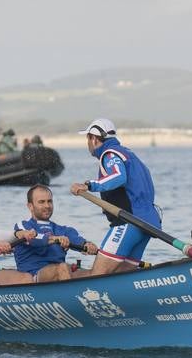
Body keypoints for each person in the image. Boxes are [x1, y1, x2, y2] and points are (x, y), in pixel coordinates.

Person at [69, 118, 160, 276]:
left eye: (87, 139)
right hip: (147, 224)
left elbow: (119, 177)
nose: (88, 144)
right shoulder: (129, 154)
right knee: (123, 276)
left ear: (94, 138)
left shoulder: (109, 154)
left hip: (128, 223)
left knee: (97, 276)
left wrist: (89, 185)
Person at [11, 184, 97, 282]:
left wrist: (87, 245)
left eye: (49, 201)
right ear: (30, 206)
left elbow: (76, 239)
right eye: (41, 202)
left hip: (61, 273)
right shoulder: (22, 226)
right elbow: (34, 239)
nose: (47, 206)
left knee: (93, 272)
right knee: (62, 268)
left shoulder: (63, 230)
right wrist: (55, 239)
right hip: (33, 277)